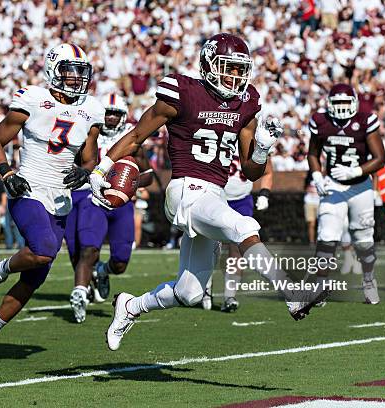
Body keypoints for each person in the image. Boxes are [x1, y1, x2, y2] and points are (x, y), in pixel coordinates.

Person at [89, 33, 329, 351]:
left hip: (215, 195)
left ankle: (131, 307)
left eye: (241, 70)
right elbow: (136, 137)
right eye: (229, 68)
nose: (236, 76)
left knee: (189, 292)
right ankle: (293, 296)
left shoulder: (245, 104)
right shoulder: (183, 92)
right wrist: (100, 169)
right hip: (186, 191)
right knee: (243, 226)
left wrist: (262, 149)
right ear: (209, 66)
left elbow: (251, 170)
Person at [0, 43, 104, 364]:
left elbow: (89, 157)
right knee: (43, 249)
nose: (75, 79)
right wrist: (6, 173)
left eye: (80, 72)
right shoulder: (31, 99)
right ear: (53, 70)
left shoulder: (91, 109)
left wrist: (85, 172)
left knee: (36, 276)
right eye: (69, 71)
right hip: (27, 188)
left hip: (60, 198)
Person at [64, 93, 154, 323]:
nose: (111, 117)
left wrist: (129, 185)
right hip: (92, 199)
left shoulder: (131, 140)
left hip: (121, 205)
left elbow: (148, 176)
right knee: (88, 249)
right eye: (108, 112)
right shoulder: (86, 134)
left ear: (123, 117)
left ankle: (102, 272)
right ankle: (80, 294)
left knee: (121, 262)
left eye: (116, 113)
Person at [307, 83, 385, 305]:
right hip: (334, 184)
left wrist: (357, 170)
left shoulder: (364, 120)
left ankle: (369, 280)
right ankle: (320, 288)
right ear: (329, 104)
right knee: (326, 236)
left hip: (360, 186)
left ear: (355, 103)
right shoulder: (320, 121)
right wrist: (316, 175)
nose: (341, 107)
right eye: (337, 103)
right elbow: (312, 153)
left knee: (363, 240)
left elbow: (380, 158)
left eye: (345, 102)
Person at [201, 156, 274, 312]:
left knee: (237, 250)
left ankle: (230, 296)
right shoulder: (219, 134)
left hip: (241, 200)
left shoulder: (253, 140)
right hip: (214, 198)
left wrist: (264, 193)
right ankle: (206, 289)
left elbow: (267, 171)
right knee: (210, 246)